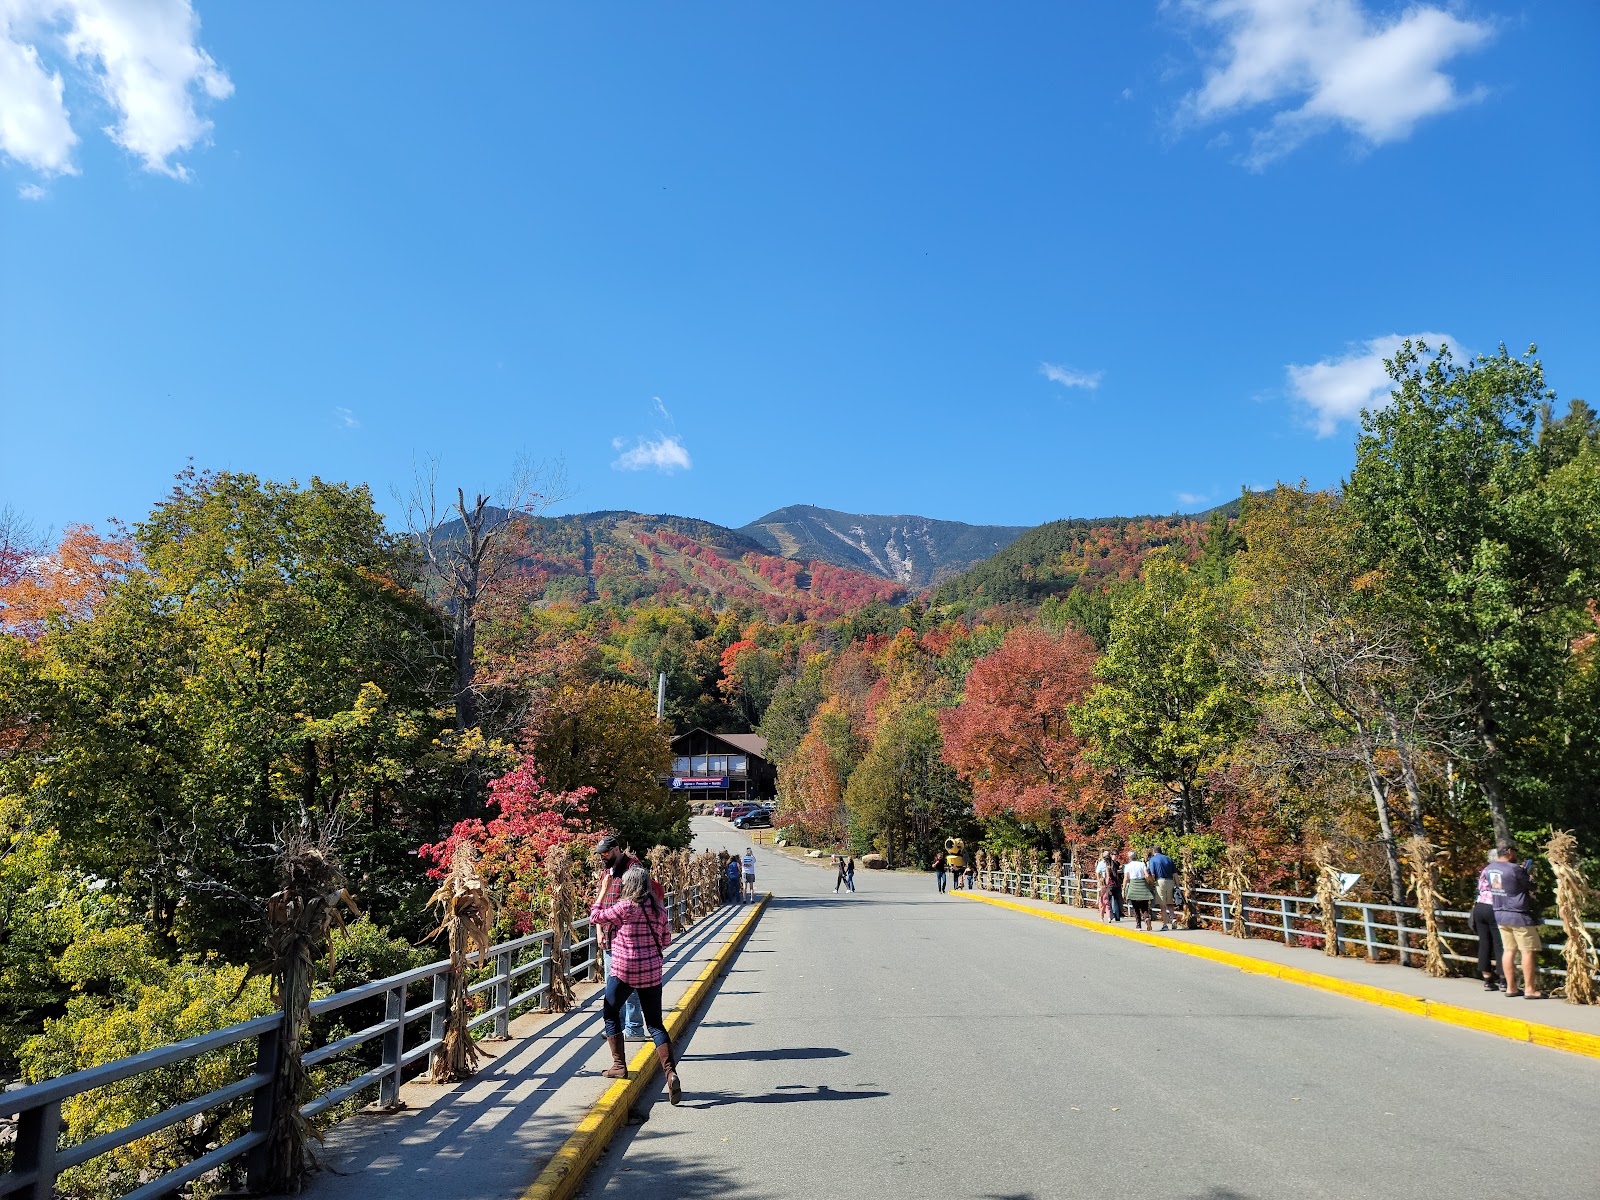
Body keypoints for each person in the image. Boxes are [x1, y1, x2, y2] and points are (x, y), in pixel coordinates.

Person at [590, 864, 683, 1104]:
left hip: (623, 971)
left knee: (610, 1012)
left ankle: (619, 1065)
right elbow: (666, 940)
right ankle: (670, 1073)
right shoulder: (658, 909)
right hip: (651, 972)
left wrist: (603, 890)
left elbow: (595, 916)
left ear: (628, 885)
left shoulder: (624, 907)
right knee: (655, 1024)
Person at [594, 834, 650, 1042]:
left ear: (617, 849)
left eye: (606, 853)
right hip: (608, 935)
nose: (603, 857)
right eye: (601, 854)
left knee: (627, 985)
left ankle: (633, 1028)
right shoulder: (606, 872)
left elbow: (640, 901)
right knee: (612, 985)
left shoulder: (633, 868)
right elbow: (600, 901)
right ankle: (616, 1028)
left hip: (625, 939)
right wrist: (599, 931)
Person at [1486, 847, 1543, 999]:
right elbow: (1531, 886)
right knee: (1527, 951)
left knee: (1508, 950)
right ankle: (1530, 989)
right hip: (1518, 915)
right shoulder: (1515, 868)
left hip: (1500, 914)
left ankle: (1511, 987)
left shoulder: (1489, 868)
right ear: (1510, 852)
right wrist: (1527, 873)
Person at [1471, 850, 1505, 991]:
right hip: (1493, 907)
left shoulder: (1485, 870)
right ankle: (1504, 979)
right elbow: (1498, 890)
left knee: (1484, 943)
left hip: (1479, 907)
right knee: (1499, 943)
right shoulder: (1495, 871)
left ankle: (1487, 979)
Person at [1147, 845, 1178, 931]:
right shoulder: (1168, 859)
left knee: (1162, 904)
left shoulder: (1152, 860)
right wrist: (1178, 886)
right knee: (1170, 903)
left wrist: (1151, 883)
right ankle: (1173, 918)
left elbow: (1152, 874)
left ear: (1154, 851)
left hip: (1160, 881)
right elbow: (1175, 874)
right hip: (1170, 881)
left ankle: (1165, 924)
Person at [1123, 849, 1154, 931]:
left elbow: (1126, 878)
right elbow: (1147, 875)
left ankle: (1138, 925)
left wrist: (1123, 889)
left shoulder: (1127, 866)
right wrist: (1150, 883)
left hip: (1133, 886)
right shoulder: (1141, 864)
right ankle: (1147, 918)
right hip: (1142, 886)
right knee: (1144, 906)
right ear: (1136, 856)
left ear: (1129, 857)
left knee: (1136, 908)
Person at [1096, 851, 1113, 922]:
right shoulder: (1101, 864)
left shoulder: (1111, 863)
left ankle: (1103, 917)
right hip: (1104, 884)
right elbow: (1097, 873)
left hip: (1107, 884)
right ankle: (1108, 917)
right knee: (1107, 904)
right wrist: (1100, 881)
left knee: (1103, 905)